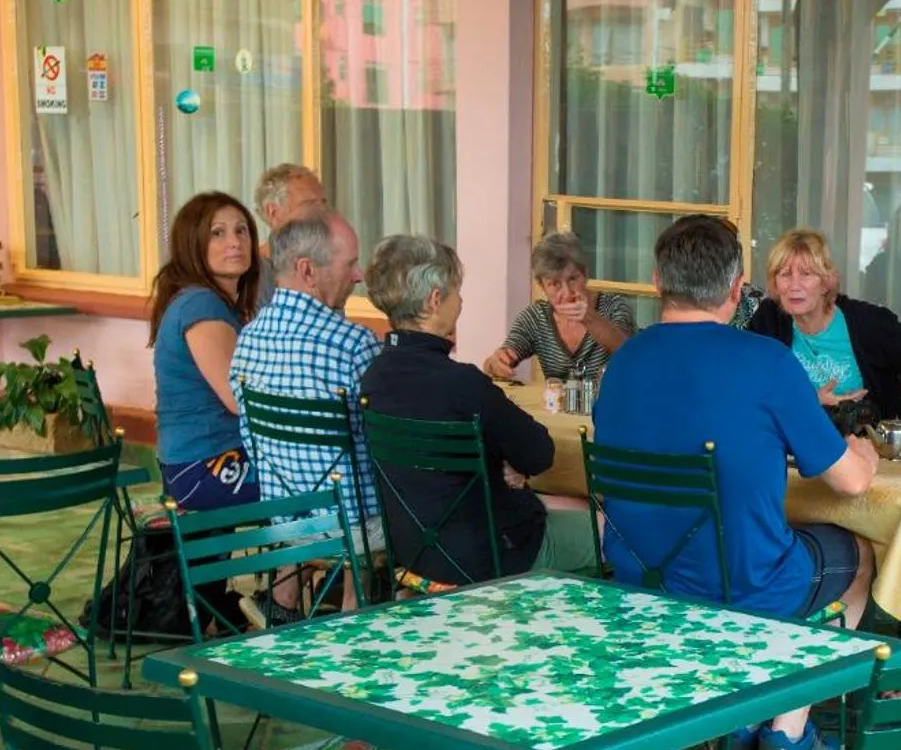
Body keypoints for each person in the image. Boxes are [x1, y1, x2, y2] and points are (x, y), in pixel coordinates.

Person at [595, 214, 879, 750]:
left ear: (657, 280)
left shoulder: (623, 361)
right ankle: (785, 729)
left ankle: (737, 713)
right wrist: (864, 453)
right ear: (736, 288)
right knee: (859, 553)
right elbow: (849, 481)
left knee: (762, 542)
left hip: (642, 582)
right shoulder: (767, 362)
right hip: (742, 586)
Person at [360, 235, 597, 584]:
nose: (461, 302)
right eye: (457, 292)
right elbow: (539, 453)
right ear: (435, 300)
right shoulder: (462, 383)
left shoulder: (374, 378)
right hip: (494, 555)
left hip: (415, 553)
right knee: (621, 536)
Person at [230, 206, 380, 618]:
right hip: (355, 531)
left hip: (282, 521)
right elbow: (386, 444)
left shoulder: (247, 341)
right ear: (307, 271)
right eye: (349, 264)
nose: (359, 275)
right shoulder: (354, 344)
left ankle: (282, 610)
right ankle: (359, 616)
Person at [746, 228, 901, 423]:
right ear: (775, 283)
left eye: (806, 274)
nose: (795, 285)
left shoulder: (870, 323)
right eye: (785, 274)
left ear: (826, 283)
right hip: (795, 445)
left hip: (867, 444)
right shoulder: (767, 321)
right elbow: (747, 386)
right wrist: (812, 402)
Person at [146, 192, 262, 511]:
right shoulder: (202, 305)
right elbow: (238, 398)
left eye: (242, 230)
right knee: (311, 478)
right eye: (218, 233)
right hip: (203, 468)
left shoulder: (206, 302)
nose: (235, 242)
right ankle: (303, 561)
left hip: (193, 463)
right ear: (193, 245)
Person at [483, 232, 634, 383]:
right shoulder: (535, 318)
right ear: (542, 286)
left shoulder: (614, 306)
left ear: (586, 274)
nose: (567, 293)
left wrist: (590, 318)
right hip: (557, 405)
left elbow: (630, 352)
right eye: (555, 284)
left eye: (573, 279)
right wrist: (495, 363)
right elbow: (498, 360)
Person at [250, 162, 327, 308]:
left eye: (323, 203)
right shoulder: (252, 276)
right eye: (309, 205)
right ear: (272, 212)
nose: (322, 213)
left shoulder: (325, 264)